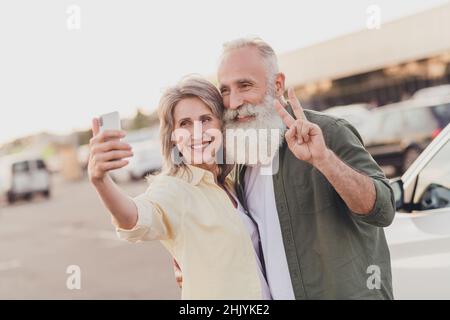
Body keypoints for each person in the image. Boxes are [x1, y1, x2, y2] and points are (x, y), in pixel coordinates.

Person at [175, 37, 396, 300]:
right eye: (225, 90)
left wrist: (325, 160)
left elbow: (383, 211)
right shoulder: (241, 161)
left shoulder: (328, 133)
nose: (234, 101)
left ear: (277, 85)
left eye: (245, 85)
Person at [88, 76, 271, 299]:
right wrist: (101, 181)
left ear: (221, 125)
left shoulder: (231, 182)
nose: (197, 132)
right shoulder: (172, 189)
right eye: (184, 123)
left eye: (205, 119)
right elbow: (133, 217)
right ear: (173, 136)